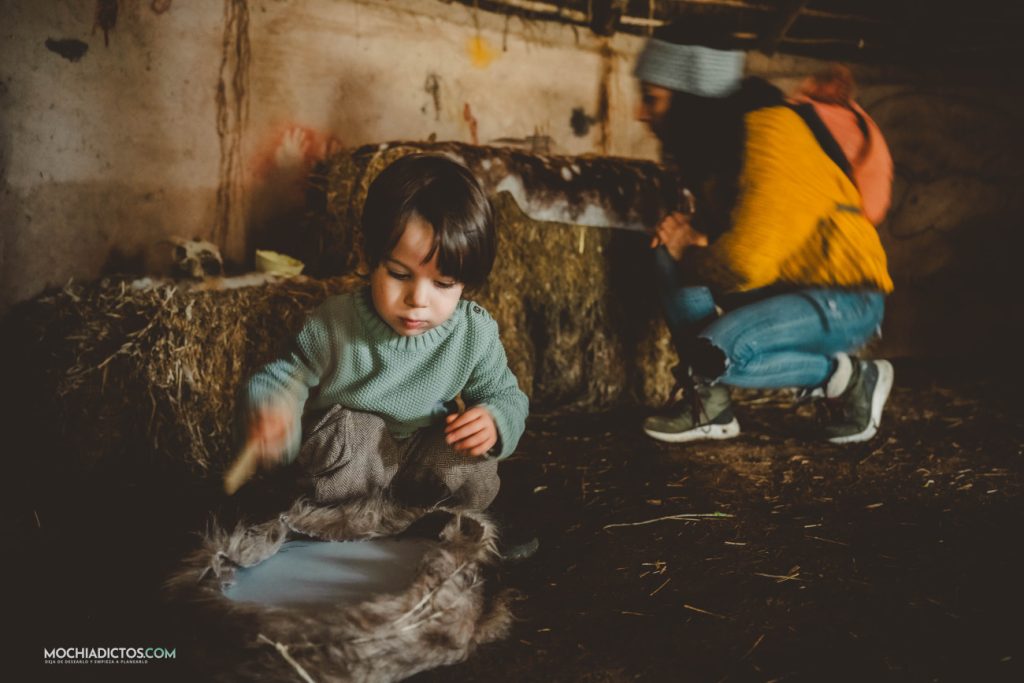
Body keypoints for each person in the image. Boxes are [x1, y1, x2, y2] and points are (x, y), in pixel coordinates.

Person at [633, 27, 894, 444]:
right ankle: (709, 405)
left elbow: (743, 263)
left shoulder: (772, 132)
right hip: (787, 290)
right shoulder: (720, 147)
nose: (639, 114)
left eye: (652, 98)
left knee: (715, 352)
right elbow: (736, 250)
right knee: (666, 254)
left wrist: (692, 245)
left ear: (689, 99)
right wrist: (689, 239)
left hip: (846, 298)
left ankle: (849, 378)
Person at [241, 153, 529, 511]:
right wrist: (274, 408)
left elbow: (505, 394)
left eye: (443, 283)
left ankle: (413, 519)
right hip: (352, 466)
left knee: (475, 465)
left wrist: (494, 421)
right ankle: (351, 522)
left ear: (464, 282)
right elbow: (287, 375)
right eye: (399, 274)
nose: (418, 299)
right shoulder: (335, 323)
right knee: (353, 435)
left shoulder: (474, 334)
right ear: (369, 258)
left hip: (417, 460)